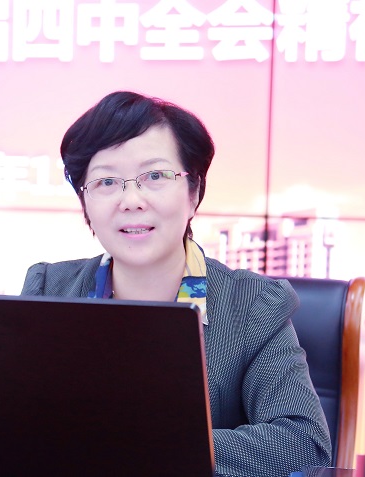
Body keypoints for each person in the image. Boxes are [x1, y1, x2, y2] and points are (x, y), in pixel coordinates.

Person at [21, 91, 332, 477]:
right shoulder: (50, 289)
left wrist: (147, 446)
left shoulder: (253, 305)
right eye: (106, 181)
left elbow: (303, 444)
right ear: (85, 202)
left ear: (194, 192)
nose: (131, 200)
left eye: (155, 176)